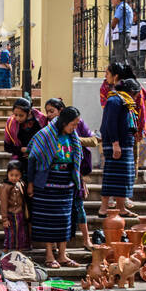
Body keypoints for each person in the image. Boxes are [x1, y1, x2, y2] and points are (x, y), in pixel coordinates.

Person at [27, 105, 84, 269]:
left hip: (66, 184)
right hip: (47, 184)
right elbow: (32, 158)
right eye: (73, 124)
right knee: (48, 221)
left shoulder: (72, 137)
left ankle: (62, 255)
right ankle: (49, 255)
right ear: (64, 122)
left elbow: (75, 160)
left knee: (64, 220)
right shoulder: (45, 135)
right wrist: (30, 183)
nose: (75, 127)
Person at [44, 97, 99, 254]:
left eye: (52, 111)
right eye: (47, 112)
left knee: (78, 206)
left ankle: (87, 239)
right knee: (57, 212)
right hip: (56, 177)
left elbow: (94, 141)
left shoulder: (76, 124)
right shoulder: (49, 128)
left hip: (75, 172)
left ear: (61, 111)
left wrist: (72, 138)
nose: (49, 115)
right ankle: (55, 246)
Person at [99, 64, 140, 219]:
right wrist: (115, 143)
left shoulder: (126, 102)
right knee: (111, 176)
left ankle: (121, 208)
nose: (136, 97)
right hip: (116, 145)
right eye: (135, 94)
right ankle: (103, 209)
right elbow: (110, 123)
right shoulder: (115, 100)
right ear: (130, 91)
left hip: (125, 144)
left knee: (124, 178)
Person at [0, 161, 29, 256]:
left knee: (20, 233)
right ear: (7, 174)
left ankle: (19, 250)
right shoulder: (5, 187)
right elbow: (3, 203)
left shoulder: (21, 184)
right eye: (11, 175)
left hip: (20, 214)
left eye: (17, 175)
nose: (14, 178)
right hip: (10, 214)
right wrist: (4, 219)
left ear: (20, 175)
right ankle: (6, 250)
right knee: (10, 234)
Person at [105, 0, 134, 66]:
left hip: (121, 35)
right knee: (114, 58)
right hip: (125, 34)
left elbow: (115, 20)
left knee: (120, 59)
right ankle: (116, 74)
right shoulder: (126, 6)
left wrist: (110, 30)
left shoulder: (121, 7)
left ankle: (124, 76)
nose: (111, 1)